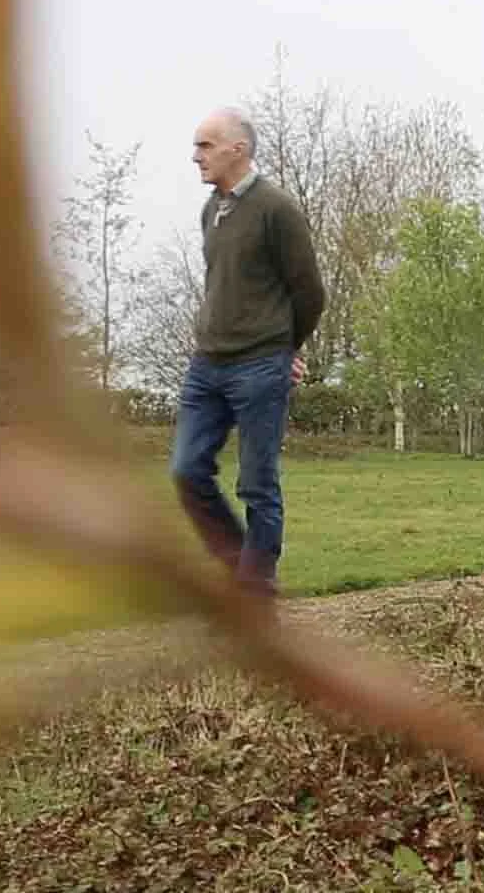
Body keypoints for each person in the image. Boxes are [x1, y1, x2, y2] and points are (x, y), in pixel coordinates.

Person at [168, 107, 326, 599]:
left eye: (205, 145)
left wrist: (285, 349)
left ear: (239, 148)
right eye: (196, 146)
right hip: (206, 365)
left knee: (257, 482)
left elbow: (309, 292)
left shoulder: (277, 209)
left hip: (260, 365)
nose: (196, 156)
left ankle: (256, 589)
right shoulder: (210, 210)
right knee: (186, 470)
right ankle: (239, 563)